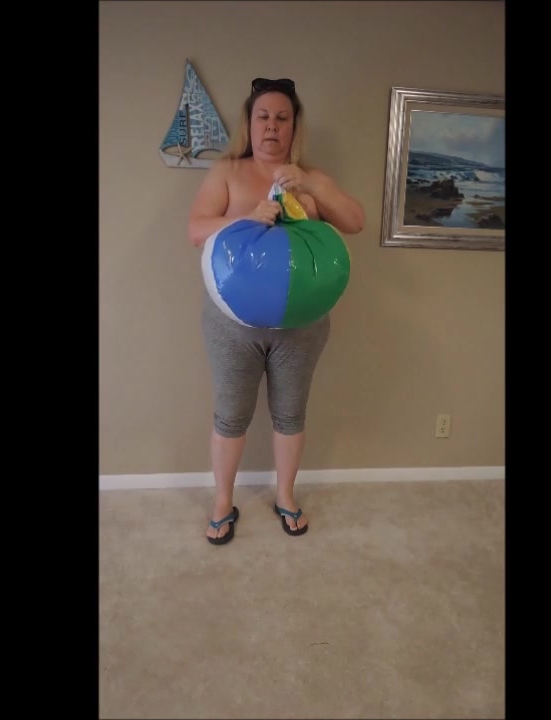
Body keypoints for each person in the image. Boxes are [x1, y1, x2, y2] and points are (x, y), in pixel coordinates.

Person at [187, 78, 365, 545]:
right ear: (249, 123)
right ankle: (223, 503)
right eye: (263, 116)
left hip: (301, 326)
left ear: (294, 126)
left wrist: (312, 187)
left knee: (291, 415)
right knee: (231, 416)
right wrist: (245, 218)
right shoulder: (227, 172)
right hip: (232, 325)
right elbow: (196, 230)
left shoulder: (311, 177)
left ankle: (285, 496)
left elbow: (355, 221)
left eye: (282, 118)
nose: (271, 126)